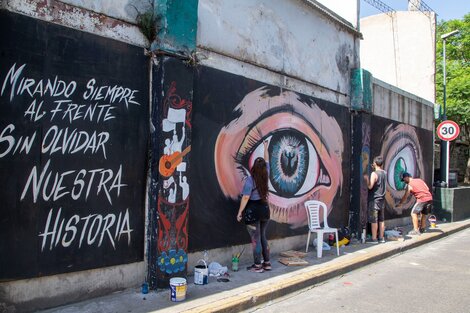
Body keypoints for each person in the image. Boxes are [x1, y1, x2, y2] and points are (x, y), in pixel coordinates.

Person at [236, 140, 271, 273]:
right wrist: (266, 147)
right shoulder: (266, 174)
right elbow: (267, 161)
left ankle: (257, 266)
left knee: (255, 239)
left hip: (253, 211)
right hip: (265, 210)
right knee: (263, 236)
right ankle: (267, 263)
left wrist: (240, 212)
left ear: (254, 168)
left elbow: (245, 197)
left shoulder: (251, 180)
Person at [363, 156, 387, 244]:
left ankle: (374, 239)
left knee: (374, 220)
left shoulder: (374, 174)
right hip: (382, 199)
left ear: (375, 163)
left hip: (374, 200)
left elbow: (370, 186)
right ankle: (381, 237)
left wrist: (366, 179)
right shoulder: (385, 173)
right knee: (381, 219)